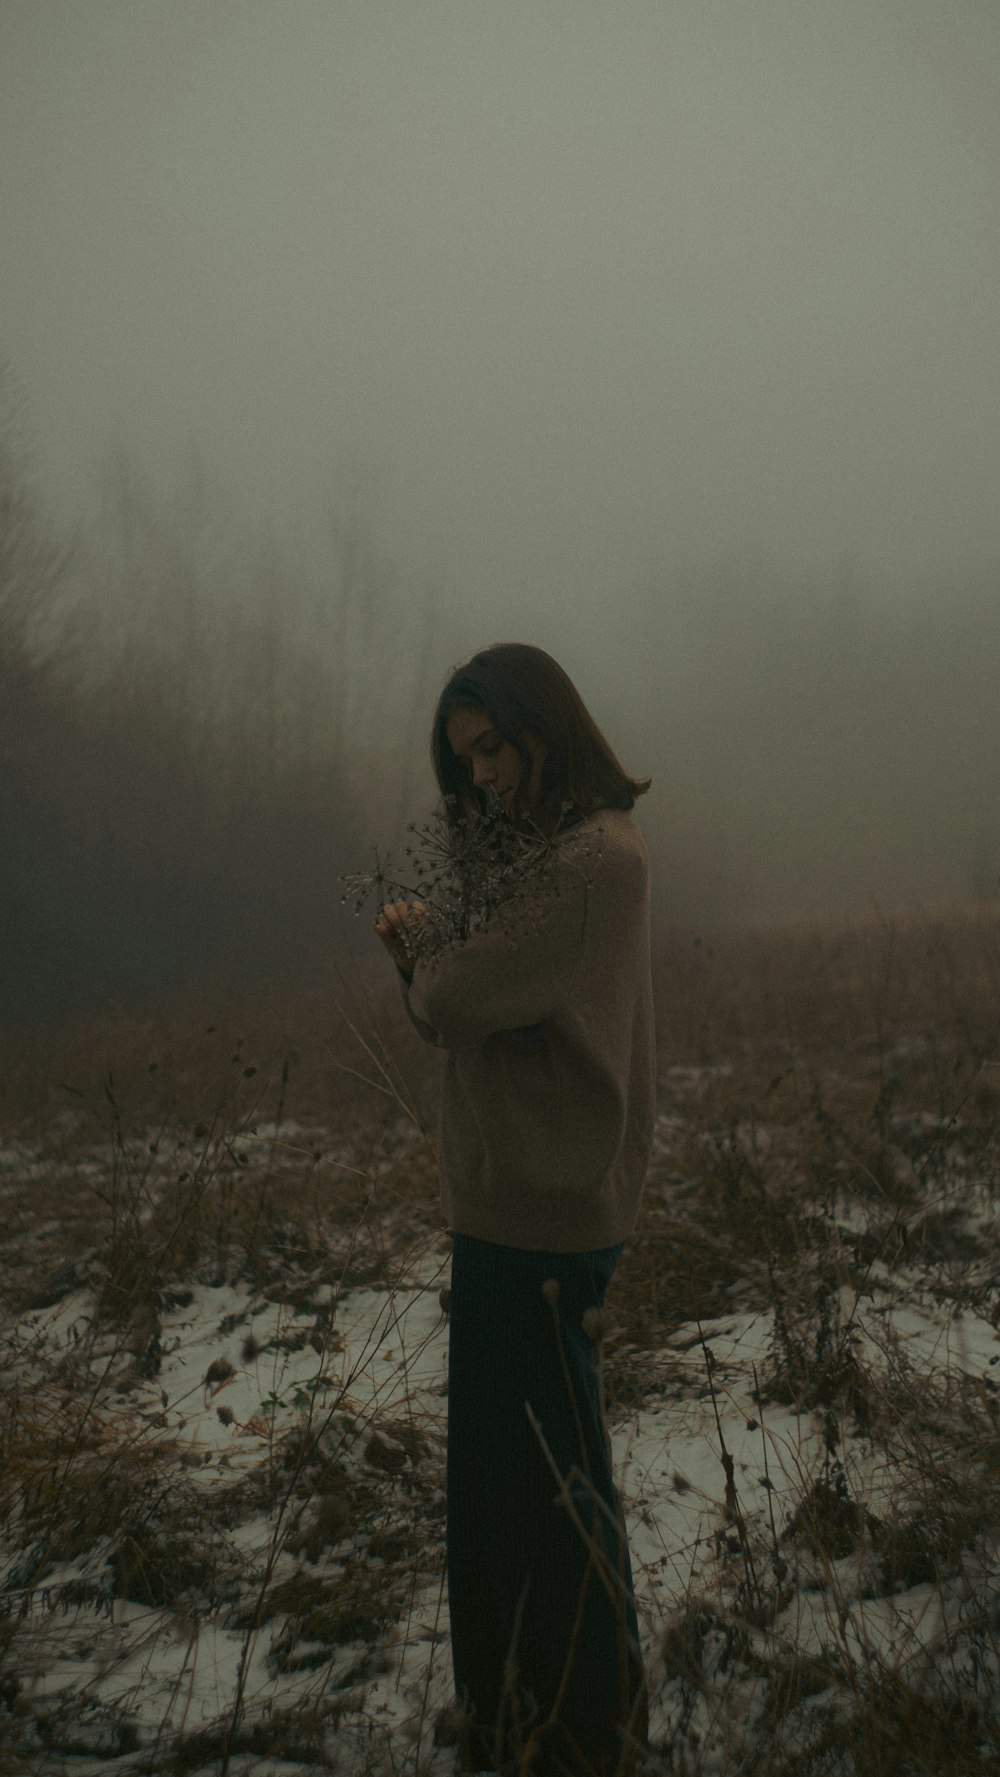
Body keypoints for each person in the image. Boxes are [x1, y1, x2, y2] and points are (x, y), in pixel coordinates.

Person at [375, 642, 655, 1777]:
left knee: (546, 1498)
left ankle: (579, 1736)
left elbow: (452, 995)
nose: (481, 774)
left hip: (545, 1215)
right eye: (465, 758)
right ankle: (512, 1722)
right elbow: (457, 1005)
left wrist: (425, 954)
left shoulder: (593, 860)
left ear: (548, 724)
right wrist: (437, 965)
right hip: (506, 1206)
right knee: (501, 1500)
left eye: (494, 745)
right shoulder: (552, 857)